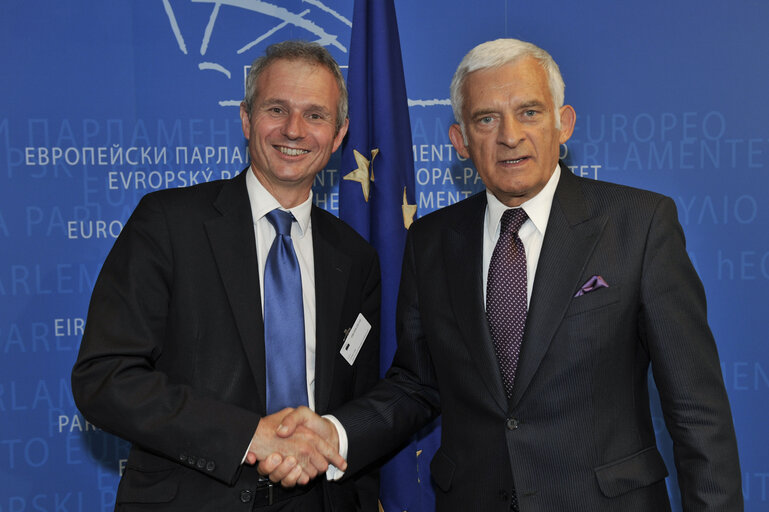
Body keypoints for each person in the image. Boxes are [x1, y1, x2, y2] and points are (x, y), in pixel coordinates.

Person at [269, 38, 743, 511]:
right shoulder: (432, 241)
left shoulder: (639, 225)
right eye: (486, 119)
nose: (510, 135)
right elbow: (417, 383)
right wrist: (334, 432)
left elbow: (696, 412)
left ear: (564, 124)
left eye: (530, 112)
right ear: (460, 141)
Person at [71, 40, 381, 511]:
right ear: (245, 119)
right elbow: (105, 378)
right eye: (277, 108)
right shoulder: (168, 223)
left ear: (339, 136)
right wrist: (249, 437)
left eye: (315, 115)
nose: (294, 130)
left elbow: (360, 402)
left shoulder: (355, 258)